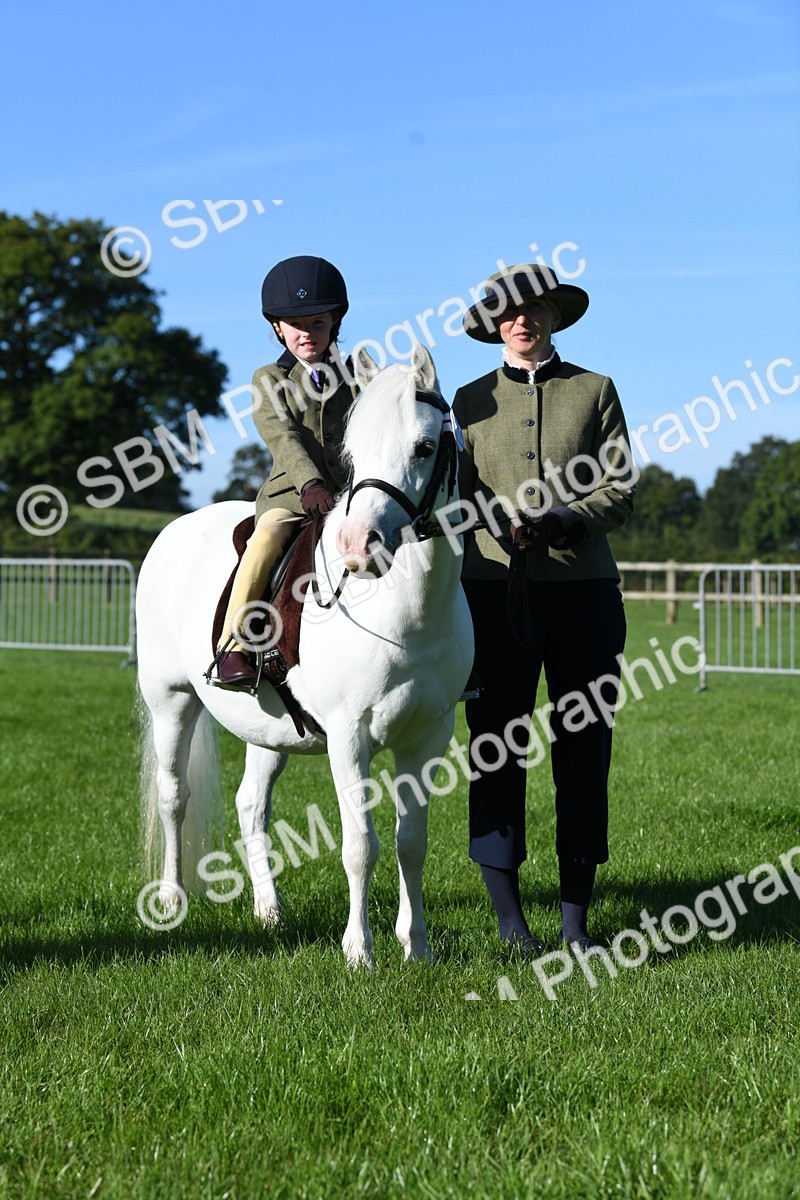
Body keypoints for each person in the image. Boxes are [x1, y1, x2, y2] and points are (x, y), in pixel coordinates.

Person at [452, 263, 636, 952]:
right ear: (494, 324)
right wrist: (496, 524)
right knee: (496, 749)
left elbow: (620, 488)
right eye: (507, 312)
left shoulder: (596, 391)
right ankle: (509, 921)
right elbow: (457, 491)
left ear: (553, 315)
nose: (521, 320)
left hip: (584, 597)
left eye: (533, 310)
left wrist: (562, 520)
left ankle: (575, 920)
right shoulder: (467, 401)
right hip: (492, 595)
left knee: (585, 752)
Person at [216, 255, 360, 688]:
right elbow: (283, 438)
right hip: (292, 499)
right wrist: (311, 483)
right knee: (265, 538)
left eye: (317, 323)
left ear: (335, 322)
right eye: (295, 325)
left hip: (353, 494)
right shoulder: (268, 379)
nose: (307, 334)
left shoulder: (358, 376)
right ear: (278, 328)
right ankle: (233, 646)